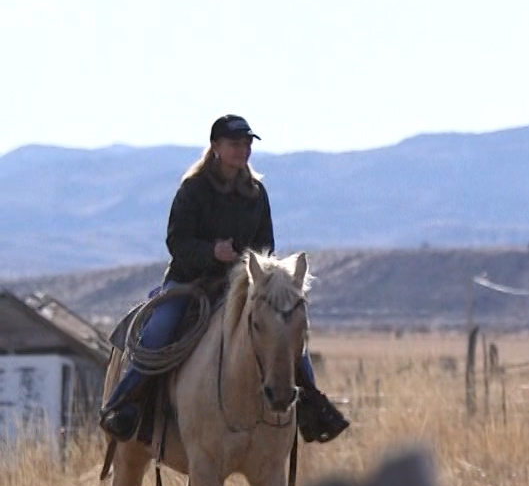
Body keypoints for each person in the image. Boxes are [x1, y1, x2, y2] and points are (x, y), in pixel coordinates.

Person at [99, 115, 350, 444]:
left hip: (242, 286)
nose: (243, 149)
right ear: (215, 147)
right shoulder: (193, 189)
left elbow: (266, 245)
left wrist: (250, 269)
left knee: (288, 334)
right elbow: (177, 241)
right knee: (159, 331)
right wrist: (211, 253)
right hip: (189, 283)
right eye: (235, 143)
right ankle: (124, 406)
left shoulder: (256, 193)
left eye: (247, 144)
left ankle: (311, 407)